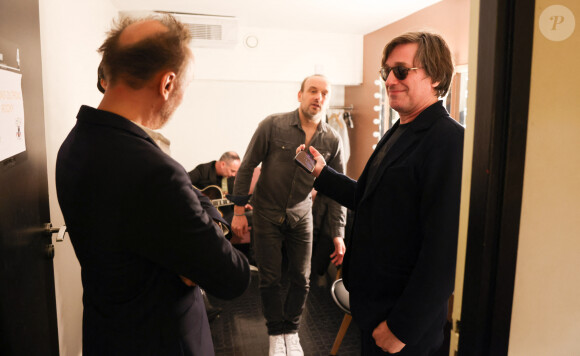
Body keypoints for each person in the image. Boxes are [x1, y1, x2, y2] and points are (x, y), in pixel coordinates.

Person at [56, 15, 250, 356]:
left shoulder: (73, 144)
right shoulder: (155, 171)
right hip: (162, 340)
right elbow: (233, 277)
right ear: (167, 83)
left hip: (107, 332)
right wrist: (203, 215)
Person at [300, 32, 464, 355]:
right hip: (374, 312)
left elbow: (444, 253)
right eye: (386, 72)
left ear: (436, 77)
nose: (390, 80)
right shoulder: (399, 128)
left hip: (401, 328)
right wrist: (322, 173)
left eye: (401, 71)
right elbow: (369, 197)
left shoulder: (449, 141)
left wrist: (402, 328)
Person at [231, 74, 347, 356]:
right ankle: (275, 333)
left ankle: (291, 331)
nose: (318, 97)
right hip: (266, 213)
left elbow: (337, 189)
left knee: (301, 278)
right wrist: (237, 211)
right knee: (270, 278)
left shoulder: (332, 139)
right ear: (300, 95)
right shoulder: (273, 125)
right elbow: (246, 166)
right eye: (312, 91)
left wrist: (338, 234)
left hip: (301, 215)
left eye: (324, 93)